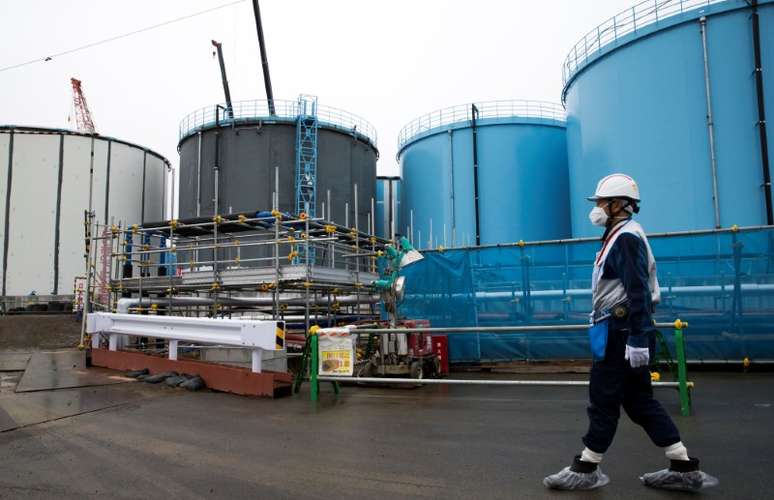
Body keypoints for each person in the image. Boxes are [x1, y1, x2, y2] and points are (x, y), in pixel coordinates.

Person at [543, 173, 719, 492]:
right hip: (622, 329)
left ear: (618, 205)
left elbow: (636, 290)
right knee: (639, 401)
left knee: (604, 397)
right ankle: (682, 464)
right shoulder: (619, 235)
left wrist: (637, 338)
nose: (596, 208)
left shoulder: (625, 237)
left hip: (621, 331)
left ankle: (587, 467)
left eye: (601, 202)